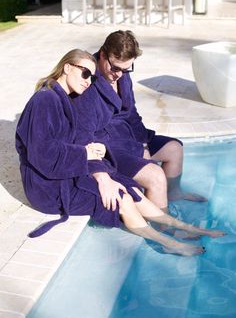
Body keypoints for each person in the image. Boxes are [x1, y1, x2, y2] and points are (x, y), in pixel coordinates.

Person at [15, 48, 225, 256]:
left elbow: (70, 142)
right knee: (121, 198)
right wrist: (84, 154)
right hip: (47, 188)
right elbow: (42, 154)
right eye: (85, 73)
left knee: (127, 187)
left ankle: (186, 227)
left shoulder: (61, 97)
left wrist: (89, 153)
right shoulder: (45, 100)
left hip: (63, 172)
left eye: (92, 76)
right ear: (67, 67)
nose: (89, 80)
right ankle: (167, 243)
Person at [76, 30, 206, 206]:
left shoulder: (121, 75)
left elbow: (131, 113)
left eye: (126, 69)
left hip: (129, 136)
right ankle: (162, 226)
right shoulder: (86, 81)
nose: (119, 75)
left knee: (175, 149)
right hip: (109, 147)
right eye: (115, 68)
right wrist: (137, 149)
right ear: (103, 54)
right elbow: (87, 133)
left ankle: (173, 193)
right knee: (156, 176)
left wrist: (142, 142)